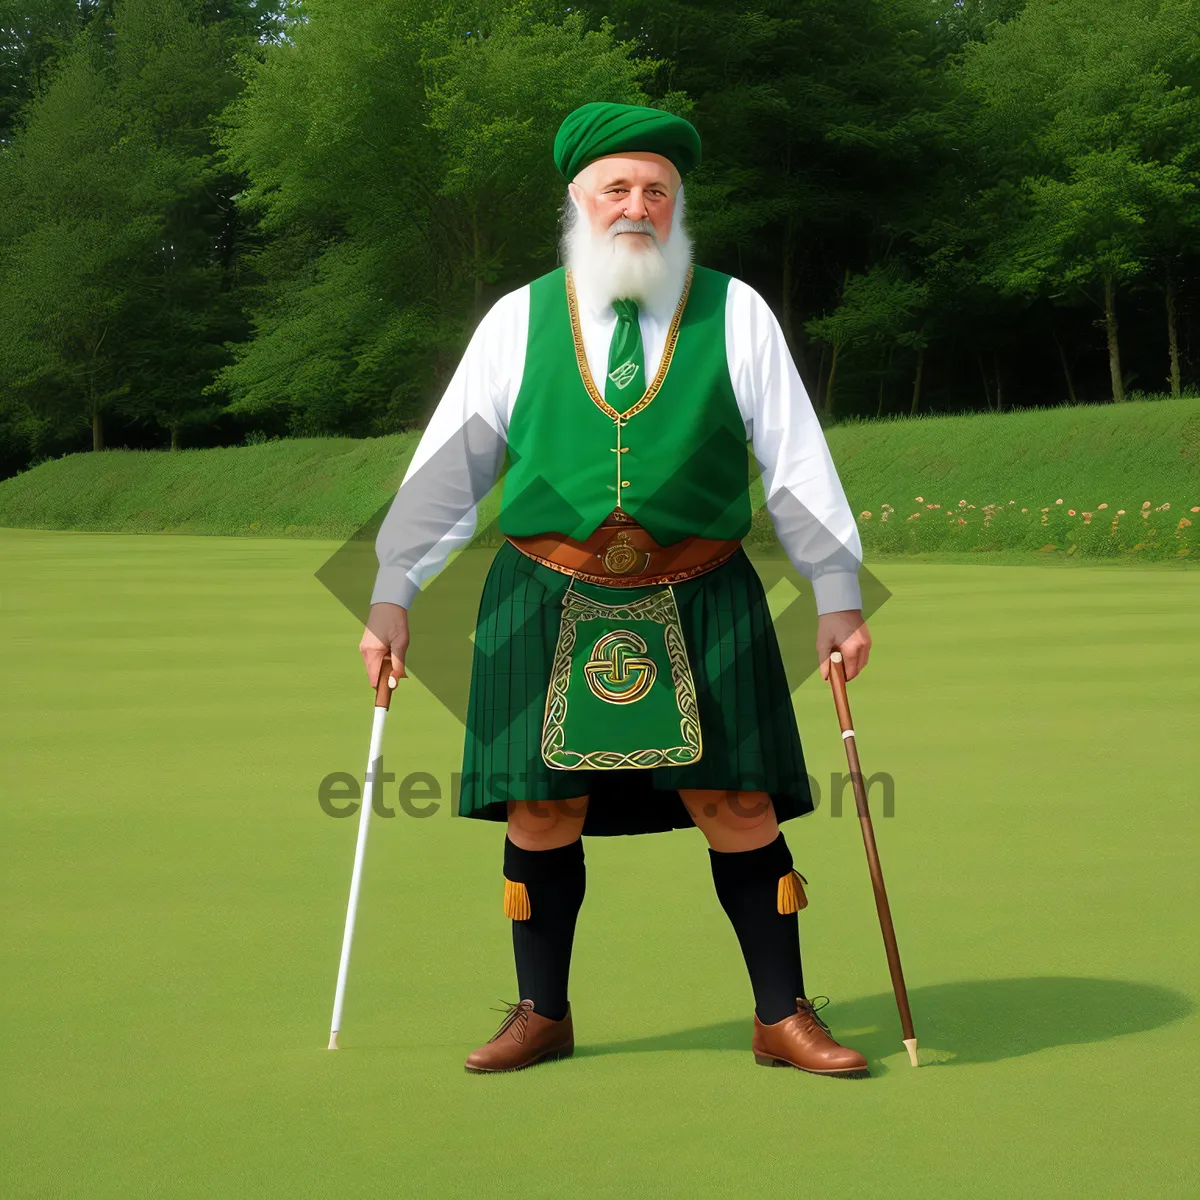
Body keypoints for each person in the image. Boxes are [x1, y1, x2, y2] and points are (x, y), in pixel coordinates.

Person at [360, 101, 872, 1078]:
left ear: (676, 207)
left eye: (656, 191)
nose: (636, 205)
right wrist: (393, 592)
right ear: (577, 202)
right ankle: (540, 1012)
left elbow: (795, 463)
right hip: (544, 591)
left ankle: (781, 1015)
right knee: (541, 810)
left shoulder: (737, 312)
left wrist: (836, 593)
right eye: (616, 189)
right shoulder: (516, 320)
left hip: (705, 588)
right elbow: (448, 472)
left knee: (740, 804)